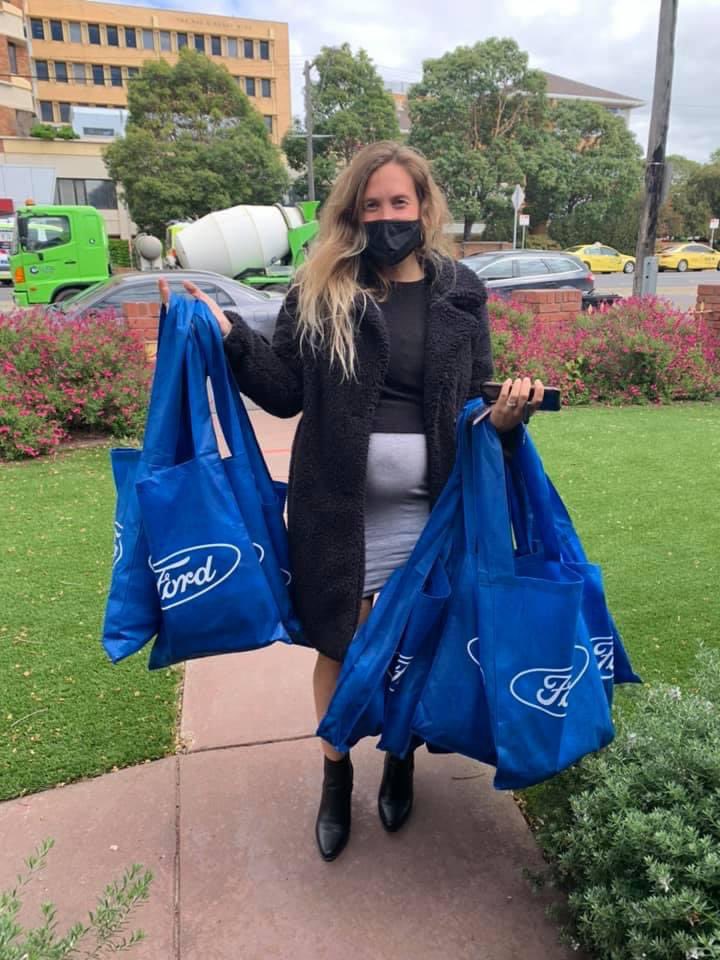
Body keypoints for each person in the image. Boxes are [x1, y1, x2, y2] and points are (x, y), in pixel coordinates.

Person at [158, 141, 544, 862]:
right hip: (337, 511)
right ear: (352, 213)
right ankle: (335, 776)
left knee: (412, 645)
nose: (387, 216)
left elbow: (474, 394)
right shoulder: (322, 288)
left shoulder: (461, 290)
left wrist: (505, 416)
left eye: (400, 203)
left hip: (433, 514)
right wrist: (230, 335)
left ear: (423, 208)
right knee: (340, 643)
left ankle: (400, 760)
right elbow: (282, 390)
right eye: (372, 205)